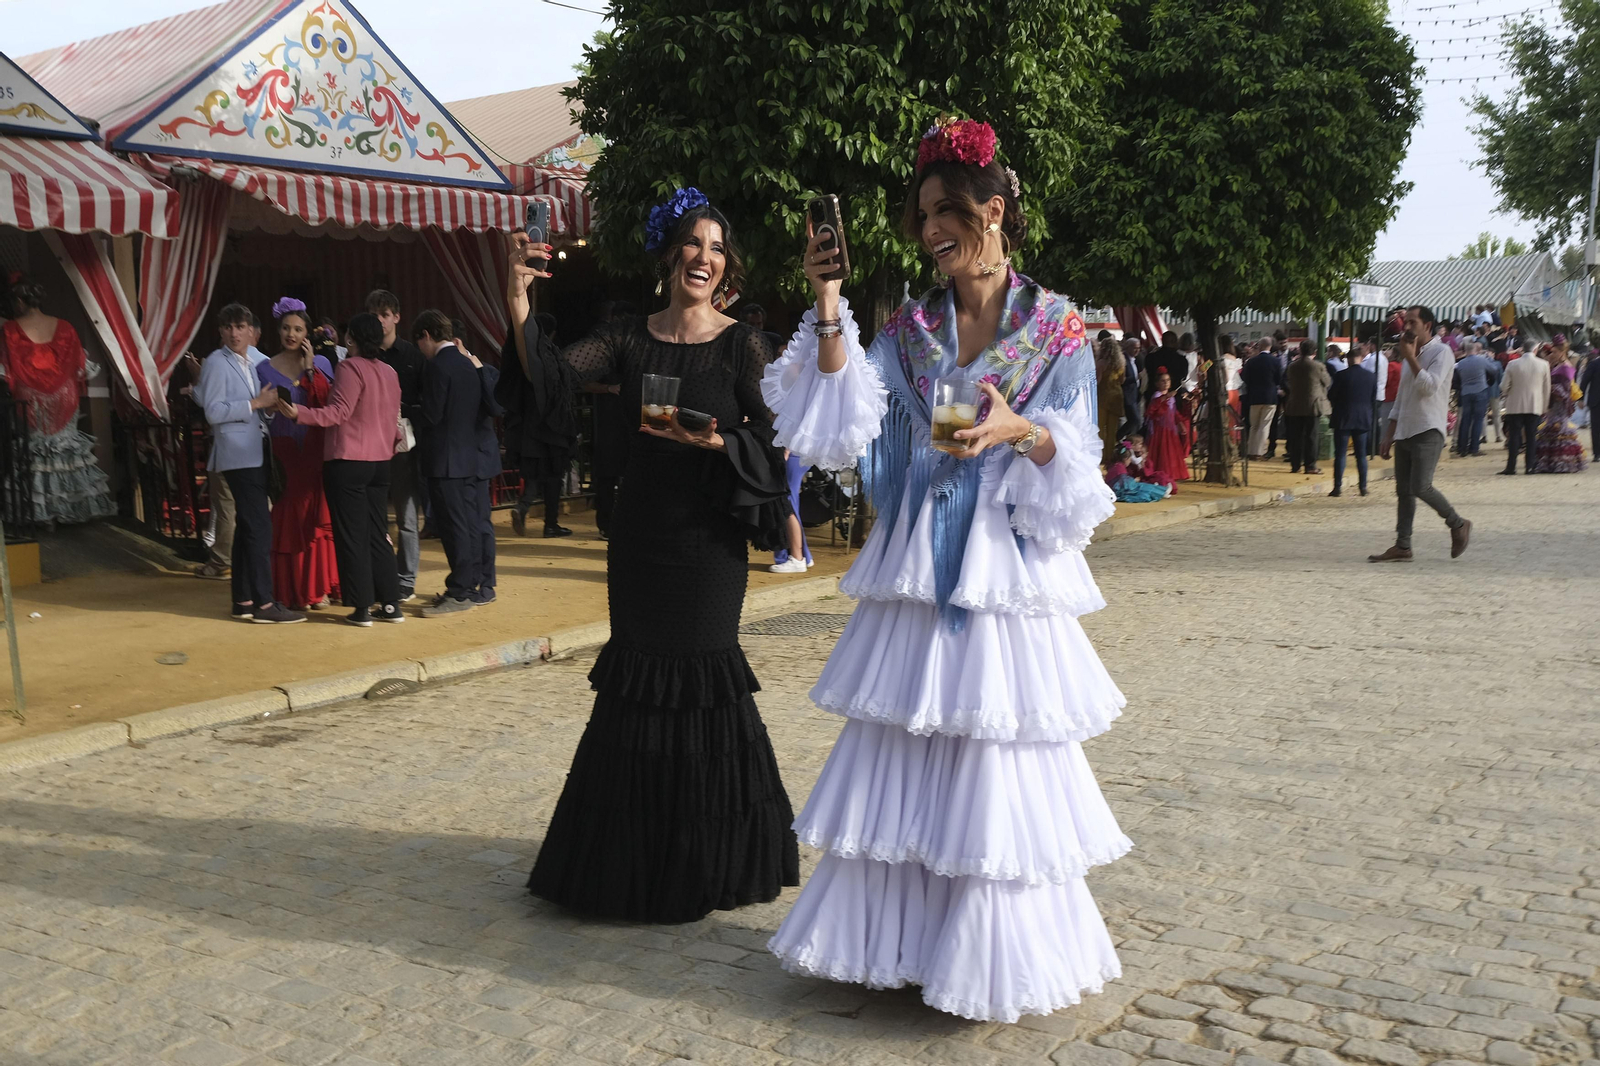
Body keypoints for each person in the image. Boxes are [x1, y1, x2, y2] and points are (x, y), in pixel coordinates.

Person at [764, 117, 1129, 1022]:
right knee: (908, 740)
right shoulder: (912, 327)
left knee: (992, 752)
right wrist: (827, 302)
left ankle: (982, 960)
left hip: (1001, 569)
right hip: (918, 565)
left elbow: (1081, 465)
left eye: (947, 212)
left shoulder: (1056, 328)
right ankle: (891, 948)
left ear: (994, 211)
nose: (931, 231)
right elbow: (848, 414)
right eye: (923, 214)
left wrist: (1023, 431)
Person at [512, 190, 798, 923]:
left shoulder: (741, 344)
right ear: (670, 255)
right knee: (637, 681)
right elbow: (550, 381)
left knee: (703, 679)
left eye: (716, 247)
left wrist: (718, 443)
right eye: (692, 244)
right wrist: (517, 301)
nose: (704, 257)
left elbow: (778, 440)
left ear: (724, 265)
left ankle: (707, 857)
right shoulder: (626, 337)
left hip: (706, 542)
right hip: (641, 536)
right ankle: (626, 856)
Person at [277, 312, 405, 626]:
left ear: (351, 340)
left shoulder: (349, 367)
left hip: (348, 462)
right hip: (380, 461)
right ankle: (390, 604)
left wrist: (299, 413)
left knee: (352, 536)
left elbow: (337, 412)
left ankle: (361, 608)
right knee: (378, 533)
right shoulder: (389, 371)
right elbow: (392, 418)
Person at [195, 304, 305, 623]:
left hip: (258, 448)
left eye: (239, 326)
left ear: (250, 330)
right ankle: (265, 603)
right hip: (234, 452)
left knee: (248, 526)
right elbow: (212, 411)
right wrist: (256, 403)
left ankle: (243, 600)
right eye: (227, 327)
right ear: (221, 331)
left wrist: (269, 407)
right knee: (259, 526)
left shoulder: (258, 360)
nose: (233, 333)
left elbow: (267, 407)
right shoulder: (215, 363)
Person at [0, 274, 116, 526]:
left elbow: (5, 366)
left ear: (20, 300)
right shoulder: (64, 327)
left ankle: (42, 512)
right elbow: (80, 366)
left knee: (37, 451)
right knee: (66, 447)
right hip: (64, 394)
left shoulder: (9, 329)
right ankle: (74, 508)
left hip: (30, 396)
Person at [414, 310, 503, 613]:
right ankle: (471, 585)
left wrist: (411, 413)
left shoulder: (438, 367)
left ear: (426, 335)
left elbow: (432, 415)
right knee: (469, 526)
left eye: (420, 342)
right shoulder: (470, 365)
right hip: (469, 458)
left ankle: (461, 590)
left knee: (455, 528)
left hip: (444, 459)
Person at [256, 298, 339, 611]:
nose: (291, 333)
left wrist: (310, 367)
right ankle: (292, 588)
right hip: (284, 449)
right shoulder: (262, 367)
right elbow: (259, 414)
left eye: (298, 328)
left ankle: (321, 588)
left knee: (317, 515)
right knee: (290, 514)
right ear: (278, 331)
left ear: (307, 332)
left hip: (316, 448)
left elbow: (328, 407)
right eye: (286, 328)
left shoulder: (323, 365)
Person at [1371, 306, 1471, 562]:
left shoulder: (1442, 352)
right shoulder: (1409, 355)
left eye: (1412, 322)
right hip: (1405, 428)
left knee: (1420, 486)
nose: (1406, 327)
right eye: (1406, 322)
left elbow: (1429, 388)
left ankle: (1457, 524)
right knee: (1403, 491)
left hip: (1428, 428)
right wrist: (1388, 433)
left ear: (1427, 326)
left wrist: (1411, 358)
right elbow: (1401, 398)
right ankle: (1403, 545)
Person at [367, 290, 425, 601]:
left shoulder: (413, 356)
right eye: (374, 315)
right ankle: (381, 575)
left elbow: (425, 401)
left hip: (404, 447)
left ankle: (406, 578)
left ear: (396, 317)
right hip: (370, 445)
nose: (380, 321)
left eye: (384, 315)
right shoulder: (363, 356)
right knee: (373, 516)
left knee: (406, 516)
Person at [500, 311, 578, 538]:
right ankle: (550, 524)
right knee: (554, 476)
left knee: (534, 474)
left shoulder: (519, 357)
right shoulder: (548, 359)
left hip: (528, 428)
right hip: (551, 428)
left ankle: (522, 507)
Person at [1328, 343, 1376, 497]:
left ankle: (1337, 487)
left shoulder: (1341, 376)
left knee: (1340, 454)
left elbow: (1331, 396)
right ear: (1360, 359)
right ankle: (1363, 487)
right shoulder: (1370, 376)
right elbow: (1373, 398)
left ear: (1348, 360)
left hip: (1343, 416)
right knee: (1361, 455)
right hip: (1362, 418)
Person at [1532, 340, 1587, 473]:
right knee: (1552, 428)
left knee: (1558, 429)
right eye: (1552, 351)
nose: (1553, 354)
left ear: (1562, 352)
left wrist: (1551, 388)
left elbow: (1566, 388)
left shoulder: (1566, 366)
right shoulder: (1558, 365)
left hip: (1559, 404)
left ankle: (1562, 461)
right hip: (1554, 403)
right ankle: (1551, 461)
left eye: (1555, 352)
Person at [1499, 343, 1550, 475]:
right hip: (1534, 405)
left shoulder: (1512, 364)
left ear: (1522, 350)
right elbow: (1546, 389)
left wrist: (1509, 392)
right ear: (1535, 349)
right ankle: (1530, 466)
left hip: (1515, 404)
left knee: (1514, 436)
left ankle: (1511, 467)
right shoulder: (1544, 364)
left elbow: (1504, 386)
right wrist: (1544, 406)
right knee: (1532, 436)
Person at [1282, 340, 1331, 474]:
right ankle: (1310, 465)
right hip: (1312, 405)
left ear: (1300, 350)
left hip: (1294, 404)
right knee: (1311, 436)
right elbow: (1327, 381)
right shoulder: (1318, 366)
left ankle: (1295, 464)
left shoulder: (1292, 366)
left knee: (1295, 436)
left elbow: (1289, 381)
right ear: (1314, 352)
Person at [1144, 367, 1191, 489]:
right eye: (1163, 381)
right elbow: (1154, 411)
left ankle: (1171, 473)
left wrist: (1180, 423)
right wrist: (1165, 398)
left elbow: (1174, 412)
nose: (1166, 383)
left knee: (1171, 452)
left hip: (1170, 429)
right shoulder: (1157, 396)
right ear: (1157, 383)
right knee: (1160, 453)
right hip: (1159, 430)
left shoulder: (1171, 397)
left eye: (1168, 380)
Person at [1452, 342, 1499, 457]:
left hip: (1466, 392)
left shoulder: (1460, 363)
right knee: (1478, 420)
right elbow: (1494, 370)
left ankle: (1462, 448)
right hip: (1480, 390)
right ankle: (1474, 448)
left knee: (1465, 420)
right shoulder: (1481, 361)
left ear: (1465, 351)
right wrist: (1488, 382)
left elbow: (1455, 380)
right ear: (1476, 350)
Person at [770, 452, 814, 574]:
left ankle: (796, 558)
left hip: (792, 454)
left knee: (786, 503)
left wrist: (786, 451)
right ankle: (803, 556)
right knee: (788, 502)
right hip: (798, 454)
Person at [1241, 337, 1283, 460]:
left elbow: (1244, 378)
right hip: (1270, 396)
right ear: (1270, 347)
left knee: (1254, 425)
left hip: (1254, 396)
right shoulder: (1276, 361)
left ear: (1259, 346)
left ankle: (1251, 451)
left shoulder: (1251, 362)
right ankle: (1259, 452)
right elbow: (1278, 379)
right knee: (1264, 425)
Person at [1095, 334, 1126, 466]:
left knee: (1101, 428)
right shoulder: (1121, 363)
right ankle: (1110, 456)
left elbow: (1098, 380)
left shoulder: (1101, 363)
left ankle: (1101, 456)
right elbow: (1122, 380)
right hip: (1116, 396)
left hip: (1102, 396)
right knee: (1112, 429)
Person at [1144, 330, 1188, 401]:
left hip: (1153, 394)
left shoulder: (1150, 357)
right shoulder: (1181, 360)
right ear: (1174, 342)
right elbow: (1183, 376)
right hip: (1173, 395)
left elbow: (1149, 372)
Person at [1579, 344, 1600, 461]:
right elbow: (1585, 381)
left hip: (1596, 400)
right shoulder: (1594, 364)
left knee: (1596, 428)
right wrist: (1580, 398)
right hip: (1596, 401)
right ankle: (1597, 453)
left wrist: (1580, 398)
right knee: (1596, 428)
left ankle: (1597, 454)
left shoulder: (1594, 364)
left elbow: (1584, 381)